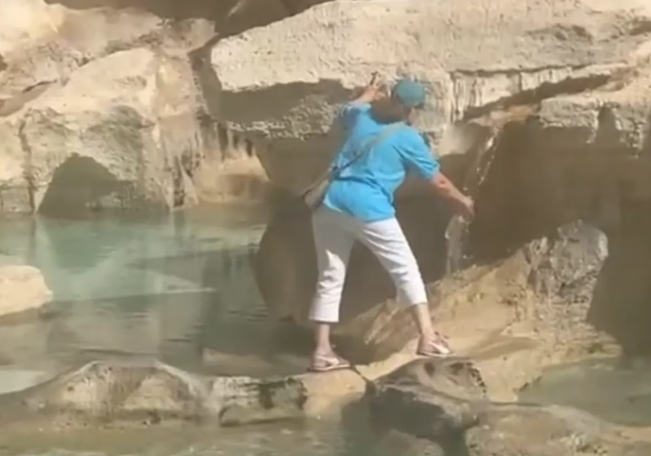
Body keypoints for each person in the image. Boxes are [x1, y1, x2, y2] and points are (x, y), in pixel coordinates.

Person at [307, 74, 475, 372]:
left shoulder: (363, 115)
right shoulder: (408, 138)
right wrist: (463, 201)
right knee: (405, 268)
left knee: (330, 276)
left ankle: (322, 351)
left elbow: (346, 109)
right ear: (414, 109)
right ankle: (427, 338)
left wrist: (367, 94)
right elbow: (437, 181)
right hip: (369, 208)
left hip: (330, 203)